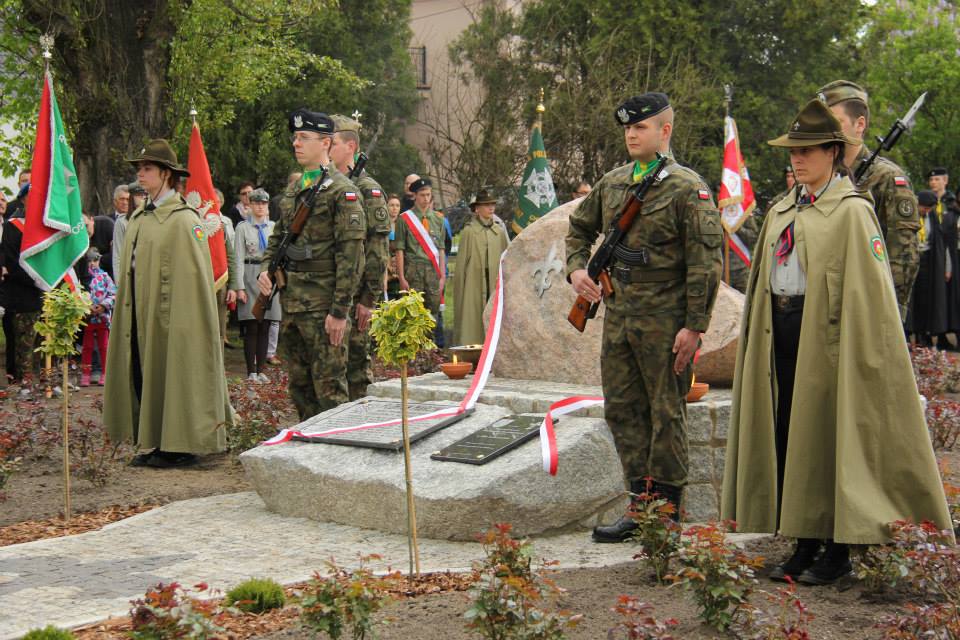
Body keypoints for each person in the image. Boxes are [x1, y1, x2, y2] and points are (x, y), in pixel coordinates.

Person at [722, 100, 953, 587]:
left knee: (828, 439)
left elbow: (872, 298)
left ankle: (838, 548)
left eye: (807, 151)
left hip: (827, 341)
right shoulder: (784, 208)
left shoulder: (851, 213)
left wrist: (858, 354)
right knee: (789, 435)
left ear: (833, 151)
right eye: (793, 152)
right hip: (781, 335)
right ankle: (803, 541)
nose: (797, 160)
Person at [566, 92, 723, 542]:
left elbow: (705, 261)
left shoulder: (685, 188)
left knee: (665, 412)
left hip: (666, 321)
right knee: (622, 410)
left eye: (642, 127)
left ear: (665, 131)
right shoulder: (614, 182)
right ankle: (640, 505)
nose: (632, 134)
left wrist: (695, 326)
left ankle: (667, 514)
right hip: (618, 318)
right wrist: (578, 269)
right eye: (628, 128)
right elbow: (579, 228)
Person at [104, 139, 231, 468]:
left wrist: (181, 321)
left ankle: (178, 445)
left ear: (166, 174)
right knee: (143, 370)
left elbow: (194, 282)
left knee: (172, 371)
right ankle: (155, 440)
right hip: (139, 312)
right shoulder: (140, 219)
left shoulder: (184, 221)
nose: (140, 175)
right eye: (139, 169)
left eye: (147, 169)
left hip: (172, 317)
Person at [256, 109, 366, 420]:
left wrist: (339, 312)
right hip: (293, 306)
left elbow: (351, 257)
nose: (296, 143)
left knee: (330, 391)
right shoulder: (295, 190)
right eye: (295, 137)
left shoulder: (342, 192)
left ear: (326, 143)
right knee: (300, 388)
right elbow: (278, 238)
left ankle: (336, 458)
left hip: (323, 308)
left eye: (304, 138)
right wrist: (266, 269)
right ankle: (309, 448)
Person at [817, 80, 920, 321]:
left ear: (859, 124)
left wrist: (888, 314)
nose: (826, 130)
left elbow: (903, 255)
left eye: (835, 122)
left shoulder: (888, 178)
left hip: (868, 308)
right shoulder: (818, 175)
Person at [329, 114, 391, 400]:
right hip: (331, 291)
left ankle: (362, 421)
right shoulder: (327, 186)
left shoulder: (368, 189)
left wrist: (369, 299)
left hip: (355, 298)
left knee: (355, 367)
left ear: (351, 146)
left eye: (333, 142)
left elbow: (378, 250)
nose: (327, 147)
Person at [453, 188, 509, 345]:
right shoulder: (469, 232)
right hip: (474, 282)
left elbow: (505, 261)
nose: (491, 208)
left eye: (493, 205)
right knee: (473, 316)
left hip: (494, 282)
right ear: (477, 209)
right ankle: (474, 350)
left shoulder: (498, 231)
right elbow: (461, 267)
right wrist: (461, 291)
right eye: (486, 205)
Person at [0, 186, 42, 385]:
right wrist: (36, 280)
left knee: (44, 343)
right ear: (23, 199)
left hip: (46, 293)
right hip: (23, 294)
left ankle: (46, 380)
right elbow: (11, 261)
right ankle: (23, 383)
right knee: (23, 344)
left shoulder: (47, 222)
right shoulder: (13, 225)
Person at [236, 188, 278, 382]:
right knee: (251, 325)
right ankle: (251, 370)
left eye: (263, 203)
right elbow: (237, 258)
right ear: (250, 205)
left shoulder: (274, 228)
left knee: (266, 325)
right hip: (249, 274)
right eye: (256, 203)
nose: (260, 207)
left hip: (269, 277)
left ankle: (261, 369)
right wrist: (239, 287)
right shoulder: (242, 228)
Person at [395, 177, 446, 323]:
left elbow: (441, 249)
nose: (425, 198)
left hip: (433, 273)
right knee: (412, 316)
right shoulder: (404, 219)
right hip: (412, 271)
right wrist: (401, 277)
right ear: (415, 196)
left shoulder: (439, 220)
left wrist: (442, 276)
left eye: (428, 195)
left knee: (432, 316)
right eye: (422, 195)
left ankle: (431, 346)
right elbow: (399, 250)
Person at [907, 190, 952, 346]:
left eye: (928, 209)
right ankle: (908, 332)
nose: (925, 211)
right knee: (910, 298)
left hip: (927, 261)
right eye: (924, 208)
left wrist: (946, 266)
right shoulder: (908, 214)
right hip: (910, 260)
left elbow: (941, 242)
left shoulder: (932, 218)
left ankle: (922, 333)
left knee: (925, 299)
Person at [927, 167, 960, 348]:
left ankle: (953, 331)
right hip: (932, 256)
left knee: (952, 294)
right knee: (936, 294)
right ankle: (937, 334)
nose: (934, 183)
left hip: (952, 254)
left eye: (937, 180)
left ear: (945, 181)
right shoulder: (925, 201)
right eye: (931, 180)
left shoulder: (952, 203)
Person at [79, 247, 116, 386]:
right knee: (87, 346)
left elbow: (113, 294)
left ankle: (105, 373)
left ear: (99, 260)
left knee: (104, 346)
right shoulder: (84, 278)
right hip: (88, 317)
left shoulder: (105, 277)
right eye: (89, 261)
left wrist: (103, 306)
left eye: (95, 260)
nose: (92, 263)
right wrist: (86, 306)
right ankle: (86, 373)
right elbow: (80, 293)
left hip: (103, 318)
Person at [113, 181, 145, 289]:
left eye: (145, 195)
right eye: (139, 195)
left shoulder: (152, 218)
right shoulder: (122, 222)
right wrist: (119, 285)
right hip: (131, 275)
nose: (143, 198)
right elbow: (118, 255)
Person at [385, 194, 402, 299]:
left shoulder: (403, 224)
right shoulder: (382, 224)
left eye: (397, 205)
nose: (395, 208)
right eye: (391, 205)